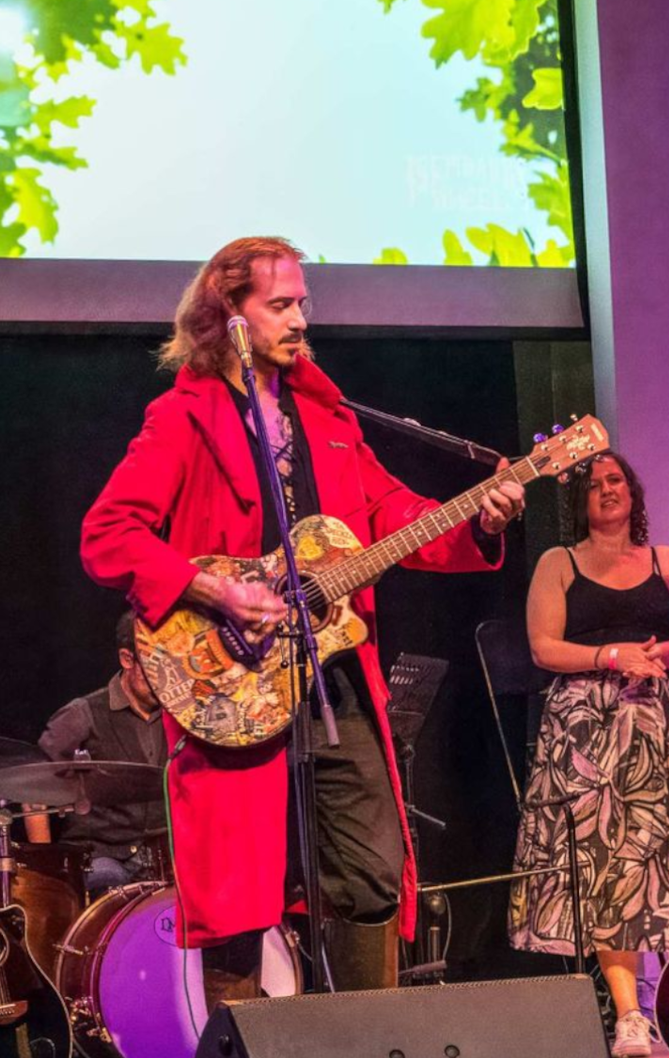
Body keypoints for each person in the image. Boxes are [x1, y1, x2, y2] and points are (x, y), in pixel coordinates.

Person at [78, 235, 525, 994]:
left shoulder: (326, 413)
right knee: (236, 901)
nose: (298, 319)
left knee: (374, 872)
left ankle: (367, 1042)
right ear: (229, 315)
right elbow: (107, 534)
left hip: (331, 678)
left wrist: (479, 520)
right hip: (231, 680)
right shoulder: (184, 416)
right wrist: (216, 590)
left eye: (301, 304)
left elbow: (391, 513)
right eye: (280, 304)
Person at [510, 451, 669, 1058]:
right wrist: (611, 655)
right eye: (594, 484)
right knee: (609, 862)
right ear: (580, 502)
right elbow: (544, 648)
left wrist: (653, 656)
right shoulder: (560, 562)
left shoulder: (667, 560)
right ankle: (630, 1015)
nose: (606, 490)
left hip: (660, 719)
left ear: (634, 491)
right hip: (586, 730)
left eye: (616, 479)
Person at [24, 609, 170, 894]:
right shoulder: (82, 714)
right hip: (104, 857)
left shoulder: (179, 715)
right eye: (154, 667)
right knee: (106, 878)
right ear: (127, 659)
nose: (164, 678)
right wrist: (45, 871)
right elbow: (32, 793)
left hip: (168, 855)